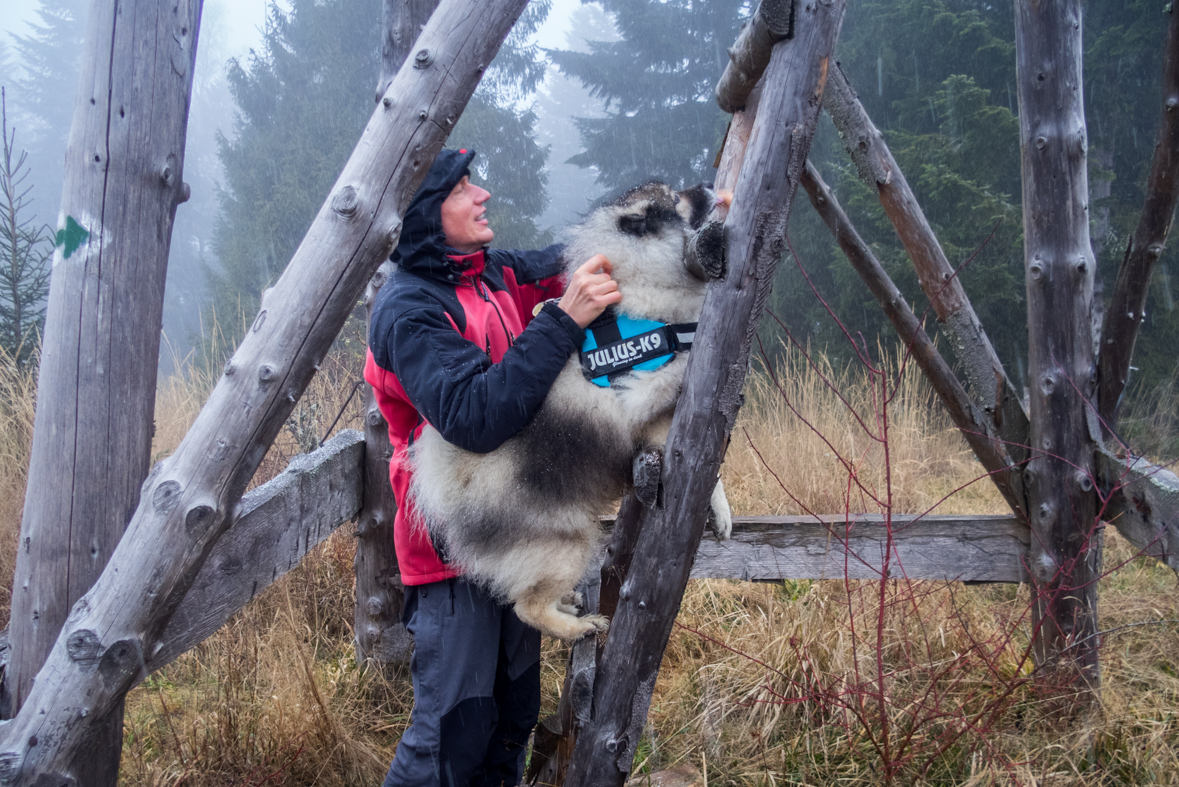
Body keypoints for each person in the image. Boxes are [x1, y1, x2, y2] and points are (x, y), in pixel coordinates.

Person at [365, 147, 619, 787]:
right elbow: (475, 417)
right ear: (427, 215)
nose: (481, 195)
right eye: (461, 189)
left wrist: (689, 214)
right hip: (450, 552)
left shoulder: (490, 274)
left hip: (516, 538)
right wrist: (564, 320)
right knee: (450, 738)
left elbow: (579, 257)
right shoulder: (408, 312)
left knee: (512, 719)